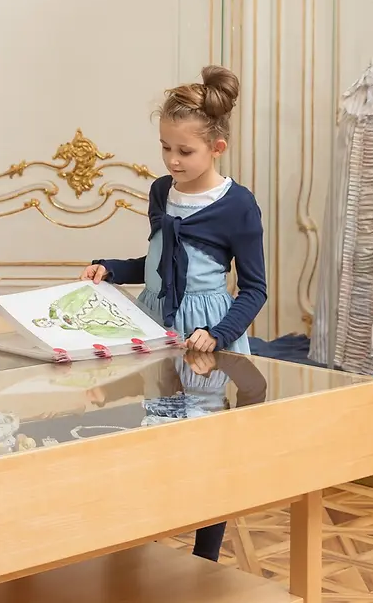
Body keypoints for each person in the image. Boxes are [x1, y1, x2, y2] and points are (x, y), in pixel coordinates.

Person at [80, 65, 267, 562]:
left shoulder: (239, 206)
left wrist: (218, 334)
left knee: (206, 452)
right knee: (150, 435)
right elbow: (159, 263)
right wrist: (111, 269)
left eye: (184, 151)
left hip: (205, 337)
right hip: (156, 322)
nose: (171, 160)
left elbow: (255, 289)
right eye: (165, 147)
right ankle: (143, 544)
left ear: (217, 147)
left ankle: (205, 560)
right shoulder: (161, 191)